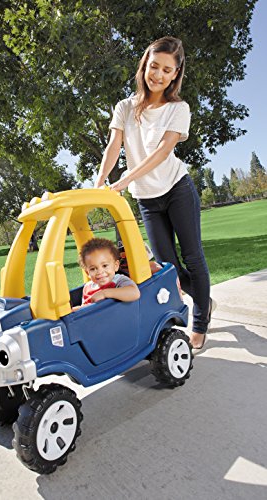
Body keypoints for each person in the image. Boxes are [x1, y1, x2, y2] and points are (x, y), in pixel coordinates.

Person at [94, 36, 213, 350]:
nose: (158, 74)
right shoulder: (124, 107)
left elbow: (161, 152)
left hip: (177, 189)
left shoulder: (178, 109)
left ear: (175, 74)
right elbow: (113, 146)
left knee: (193, 258)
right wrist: (100, 182)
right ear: (144, 66)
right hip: (147, 199)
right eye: (154, 66)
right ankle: (205, 299)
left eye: (166, 69)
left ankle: (200, 320)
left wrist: (122, 181)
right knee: (165, 264)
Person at [74, 238, 140, 309]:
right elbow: (86, 306)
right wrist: (79, 309)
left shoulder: (119, 280)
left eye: (104, 266)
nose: (100, 272)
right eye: (93, 269)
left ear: (116, 266)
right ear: (87, 272)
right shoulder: (87, 287)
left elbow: (134, 293)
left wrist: (104, 293)